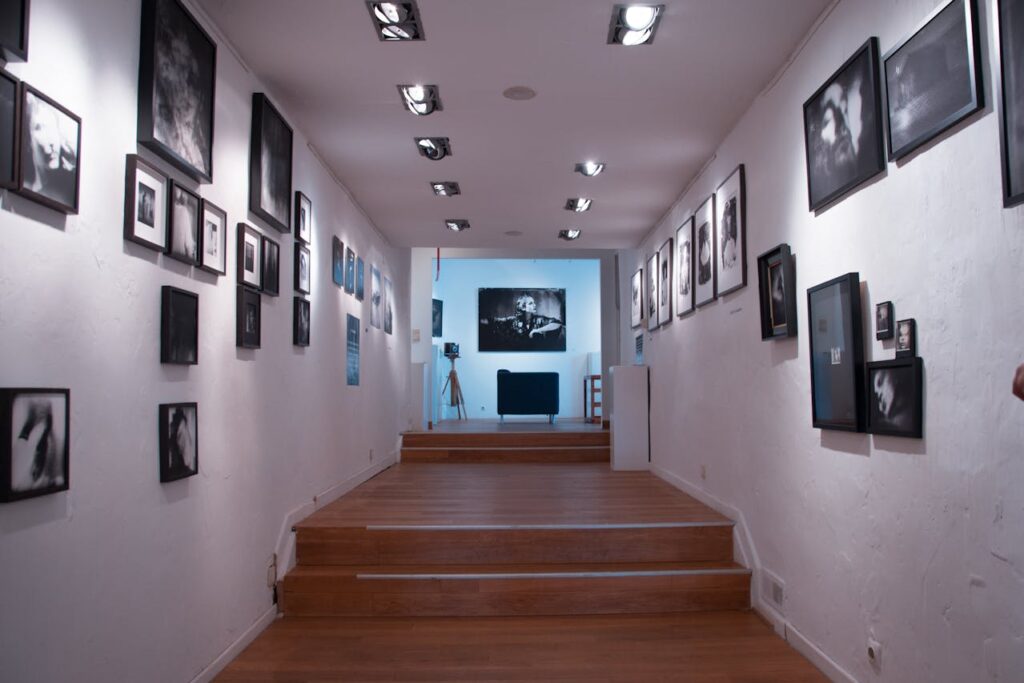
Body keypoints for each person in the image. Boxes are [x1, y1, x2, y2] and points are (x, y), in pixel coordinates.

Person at [491, 293, 563, 341]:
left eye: (534, 303)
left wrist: (536, 330)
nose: (535, 305)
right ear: (523, 307)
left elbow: (557, 323)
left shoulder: (539, 319)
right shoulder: (512, 320)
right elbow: (492, 321)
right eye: (531, 303)